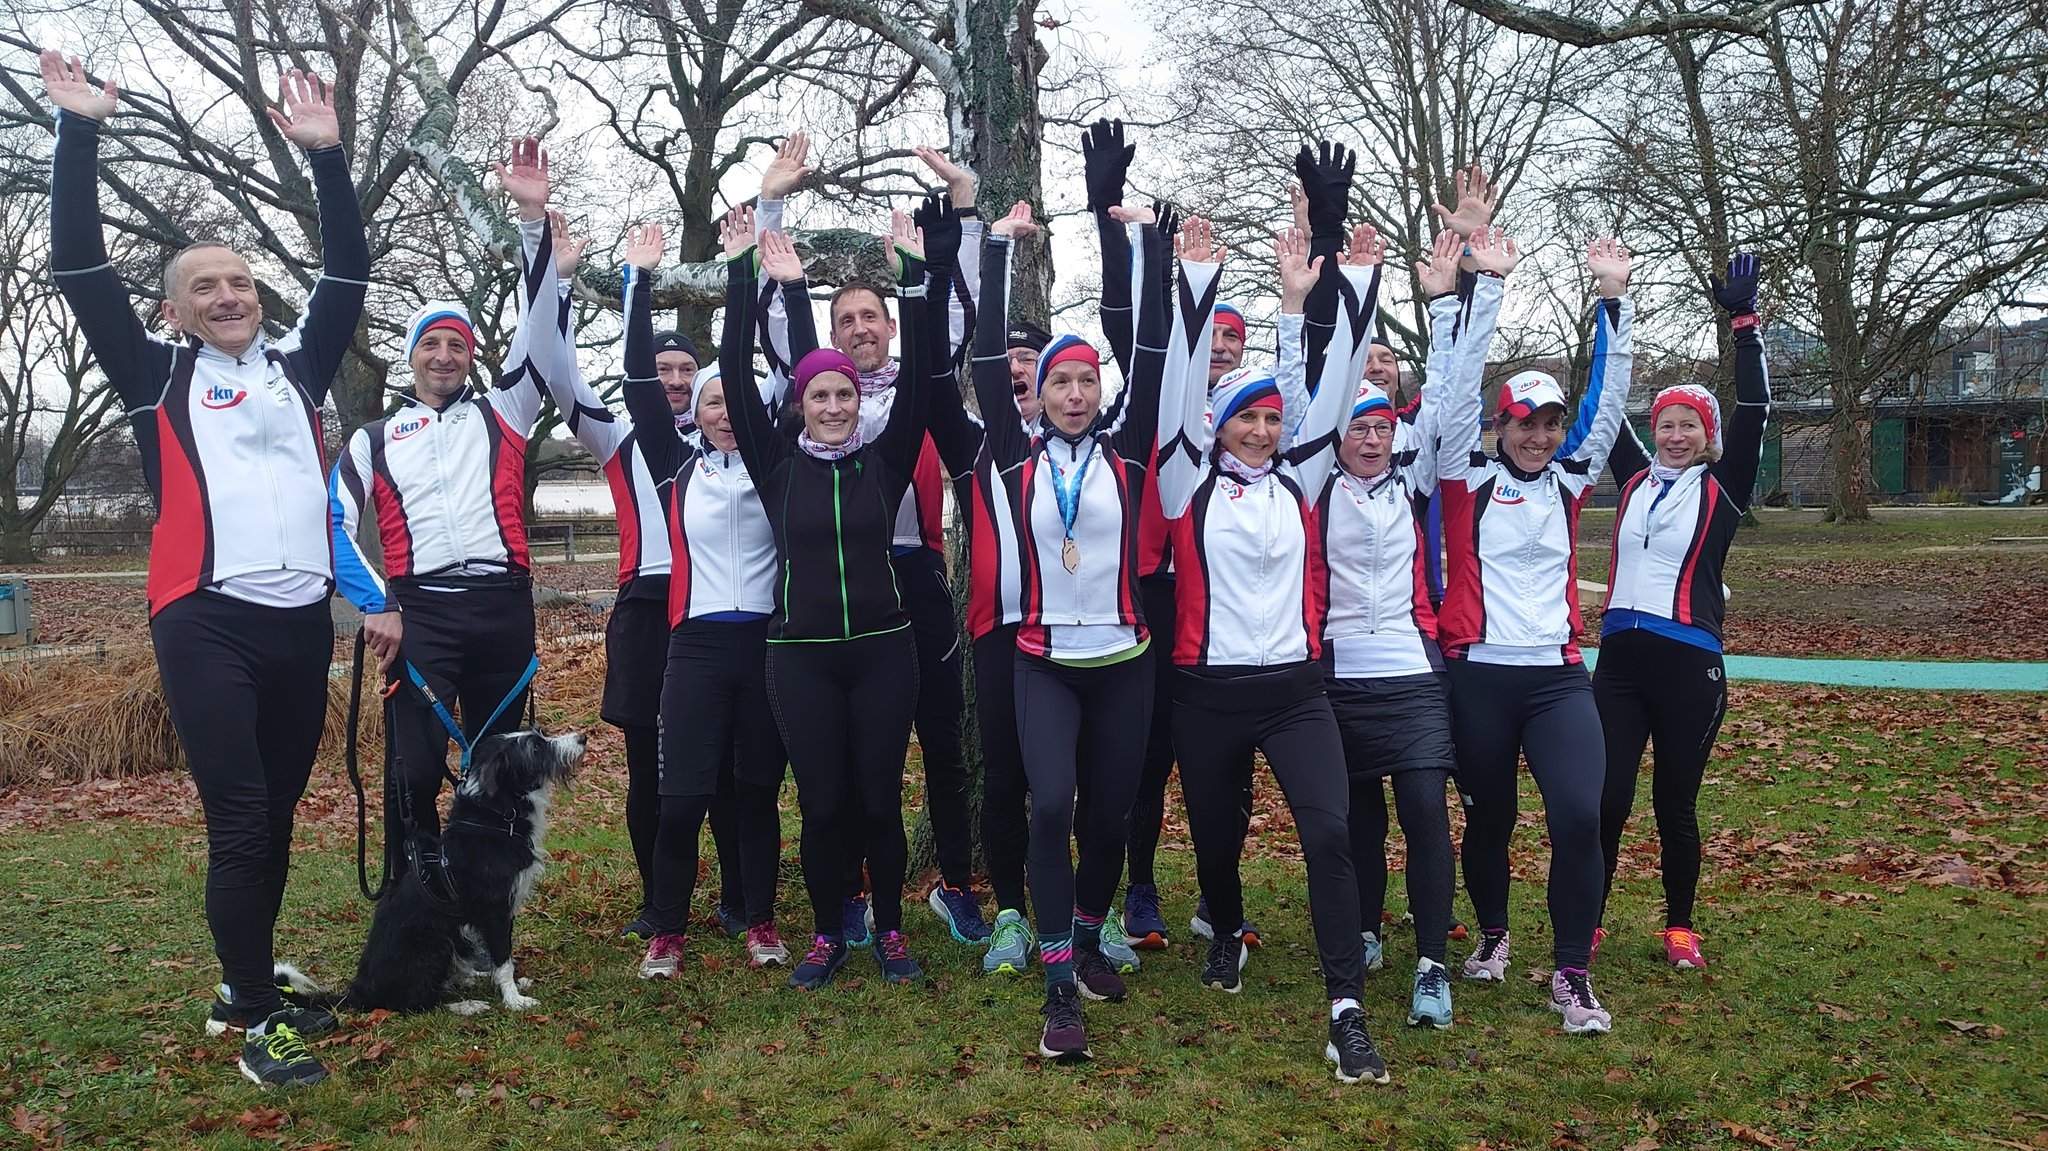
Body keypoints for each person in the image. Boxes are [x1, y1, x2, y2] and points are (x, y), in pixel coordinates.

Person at [44, 53, 366, 1087]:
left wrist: (326, 161)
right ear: (175, 312)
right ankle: (258, 1022)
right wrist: (81, 131)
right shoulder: (155, 373)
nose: (227, 294)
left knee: (273, 816)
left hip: (300, 623)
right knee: (238, 816)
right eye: (203, 287)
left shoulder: (297, 366)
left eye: (238, 280)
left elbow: (348, 274)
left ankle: (244, 987)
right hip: (205, 620)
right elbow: (80, 268)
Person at [1156, 217, 1392, 1085]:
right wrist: (1198, 275)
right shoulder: (1184, 478)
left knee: (1329, 834)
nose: (1259, 430)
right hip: (1207, 692)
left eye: (1267, 418)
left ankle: (1345, 1008)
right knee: (1218, 841)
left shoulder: (1305, 476)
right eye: (1244, 418)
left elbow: (1333, 394)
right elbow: (1182, 387)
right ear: (1218, 425)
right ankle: (1225, 925)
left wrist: (1346, 295)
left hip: (1296, 691)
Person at [1108, 135, 1356, 955]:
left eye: (1231, 340)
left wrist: (1324, 231)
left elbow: (1316, 378)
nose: (1219, 349)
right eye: (1209, 336)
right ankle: (1141, 883)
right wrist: (1147, 248)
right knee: (1152, 761)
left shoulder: (1274, 436)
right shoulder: (1177, 413)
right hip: (1161, 590)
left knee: (1230, 779)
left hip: (1258, 608)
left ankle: (1221, 901)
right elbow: (1135, 328)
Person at [541, 222, 793, 978]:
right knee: (680, 793)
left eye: (729, 397)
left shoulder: (776, 460)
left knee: (754, 796)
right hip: (693, 644)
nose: (717, 408)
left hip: (765, 645)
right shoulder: (671, 464)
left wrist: (753, 258)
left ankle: (759, 920)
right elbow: (640, 384)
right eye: (707, 399)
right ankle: (667, 929)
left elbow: (780, 362)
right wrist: (637, 282)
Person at [755, 134, 989, 946]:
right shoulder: (821, 391)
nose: (857, 328)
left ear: (891, 324)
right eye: (843, 319)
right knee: (851, 760)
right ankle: (851, 893)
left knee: (942, 742)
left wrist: (962, 206)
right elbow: (777, 313)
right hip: (827, 583)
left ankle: (955, 880)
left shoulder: (920, 383)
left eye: (869, 316)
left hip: (912, 575)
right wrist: (771, 206)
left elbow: (955, 312)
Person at [962, 201, 1167, 1058]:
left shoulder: (1129, 453)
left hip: (1124, 658)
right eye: (1060, 382)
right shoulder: (1013, 453)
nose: (1076, 394)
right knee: (1051, 805)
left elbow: (1153, 349)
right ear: (1037, 393)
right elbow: (979, 351)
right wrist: (1000, 249)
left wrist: (1149, 246)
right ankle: (1057, 983)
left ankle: (1086, 931)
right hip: (1041, 658)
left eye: (1087, 380)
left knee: (1112, 816)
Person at [329, 137, 563, 875]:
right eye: (430, 344)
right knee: (414, 771)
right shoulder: (374, 436)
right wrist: (376, 602)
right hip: (420, 613)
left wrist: (533, 220)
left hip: (501, 605)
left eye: (456, 344)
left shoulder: (506, 409)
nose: (443, 355)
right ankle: (414, 906)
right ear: (411, 355)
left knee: (503, 767)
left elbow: (541, 324)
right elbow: (328, 522)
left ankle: (485, 915)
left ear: (470, 355)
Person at [718, 207, 937, 989]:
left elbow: (928, 368)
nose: (837, 406)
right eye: (821, 397)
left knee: (878, 801)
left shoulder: (887, 460)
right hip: (800, 656)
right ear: (803, 404)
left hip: (882, 651)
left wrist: (913, 277)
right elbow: (737, 375)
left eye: (846, 395)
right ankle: (825, 935)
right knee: (821, 804)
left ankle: (891, 931)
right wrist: (745, 273)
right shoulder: (774, 468)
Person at [1435, 229, 1635, 1036]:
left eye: (1551, 423)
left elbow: (1609, 401)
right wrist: (1486, 287)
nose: (1541, 436)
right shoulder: (1463, 476)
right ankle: (1491, 934)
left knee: (1578, 817)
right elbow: (1451, 396)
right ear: (1500, 423)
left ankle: (1572, 972)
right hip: (1478, 675)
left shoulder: (1572, 478)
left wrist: (1612, 301)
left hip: (1556, 678)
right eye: (1525, 422)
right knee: (1488, 817)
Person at [1316, 229, 1475, 1031]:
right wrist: (1354, 281)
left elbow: (1448, 397)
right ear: (1337, 434)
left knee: (1421, 809)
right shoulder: (1314, 484)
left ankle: (1432, 966)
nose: (1372, 437)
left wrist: (1448, 303)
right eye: (1357, 426)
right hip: (1340, 674)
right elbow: (1307, 375)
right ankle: (1368, 931)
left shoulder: (1411, 478)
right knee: (1355, 820)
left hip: (1413, 673)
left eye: (1382, 426)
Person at [1594, 253, 1771, 971]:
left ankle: (1679, 926)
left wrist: (1744, 325)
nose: (1672, 435)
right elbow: (1605, 405)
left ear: (1708, 437)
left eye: (1687, 427)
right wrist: (1611, 300)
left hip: (1688, 663)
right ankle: (1590, 918)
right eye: (1665, 423)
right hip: (1618, 665)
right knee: (1604, 800)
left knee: (1674, 804)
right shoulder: (1633, 476)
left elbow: (1755, 408)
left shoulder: (1723, 487)